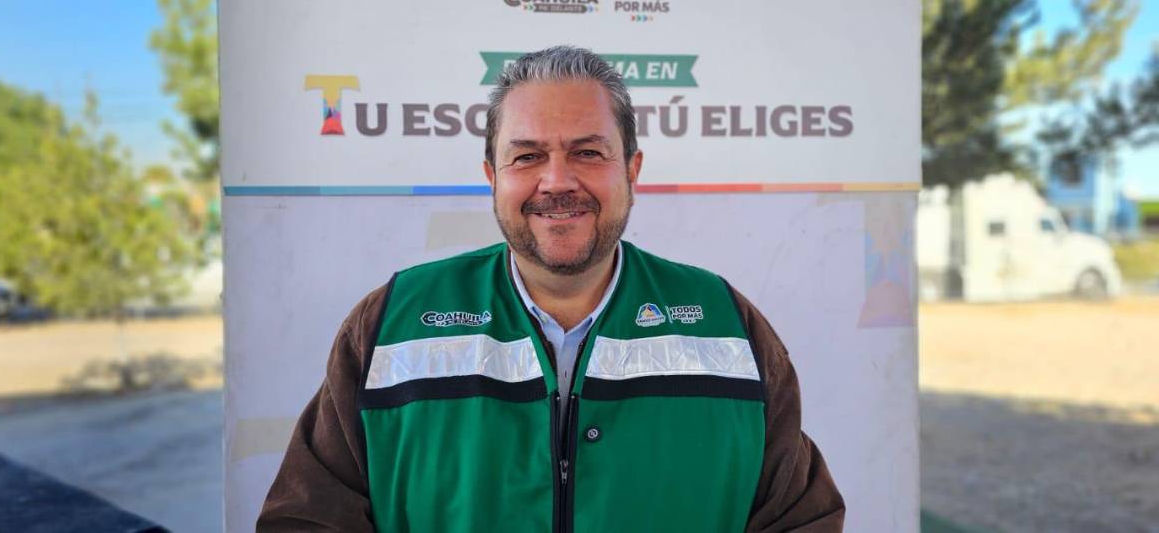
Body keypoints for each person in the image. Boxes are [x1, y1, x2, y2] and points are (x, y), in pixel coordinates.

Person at [258, 46, 844, 532]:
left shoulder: (728, 327)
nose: (557, 181)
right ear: (492, 177)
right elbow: (307, 520)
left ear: (632, 170)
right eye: (527, 156)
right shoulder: (391, 326)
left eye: (587, 152)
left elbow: (802, 520)